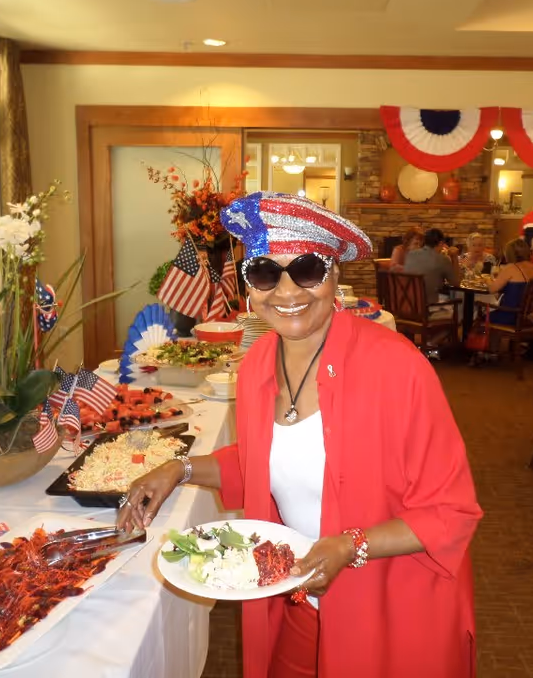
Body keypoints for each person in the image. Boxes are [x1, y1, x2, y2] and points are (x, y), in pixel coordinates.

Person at [116, 192, 482, 678]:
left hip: (390, 611)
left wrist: (350, 544)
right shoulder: (259, 364)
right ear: (249, 284)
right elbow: (265, 464)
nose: (287, 292)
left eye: (307, 269)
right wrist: (177, 469)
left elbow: (451, 512)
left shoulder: (397, 367)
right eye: (266, 273)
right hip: (300, 599)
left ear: (335, 276)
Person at [483, 238, 533, 326]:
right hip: (531, 317)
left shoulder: (510, 268)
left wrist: (487, 279)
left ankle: (471, 338)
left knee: (478, 313)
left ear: (509, 253)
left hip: (511, 315)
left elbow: (492, 290)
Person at [403, 227, 460, 306]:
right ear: (440, 243)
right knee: (458, 301)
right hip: (428, 308)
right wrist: (454, 257)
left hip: (409, 305)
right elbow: (456, 283)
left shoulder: (410, 254)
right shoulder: (443, 259)